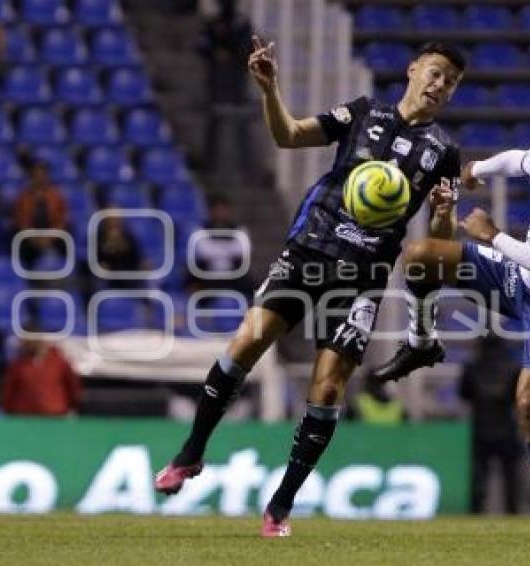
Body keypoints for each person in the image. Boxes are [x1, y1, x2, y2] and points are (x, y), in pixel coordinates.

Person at [154, 36, 466, 538]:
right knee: (246, 343)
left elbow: (438, 247)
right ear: (413, 70)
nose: (439, 85)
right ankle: (191, 453)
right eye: (434, 73)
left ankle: (281, 504)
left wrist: (446, 217)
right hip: (310, 250)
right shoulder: (363, 113)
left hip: (362, 275)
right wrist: (268, 88)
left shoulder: (443, 154)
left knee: (327, 388)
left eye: (450, 83)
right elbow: (290, 135)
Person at [372, 93, 530, 539]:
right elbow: (517, 159)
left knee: (529, 402)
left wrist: (492, 235)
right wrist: (474, 171)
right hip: (517, 278)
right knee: (422, 255)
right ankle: (422, 341)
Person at [458, 334, 523, 514]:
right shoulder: (513, 368)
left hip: (480, 430)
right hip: (507, 429)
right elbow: (519, 399)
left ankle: (476, 513)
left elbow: (464, 394)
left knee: (478, 478)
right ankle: (512, 512)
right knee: (511, 479)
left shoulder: (471, 368)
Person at [197, 0, 253, 177]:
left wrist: (231, 52)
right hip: (217, 85)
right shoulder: (213, 24)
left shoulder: (242, 24)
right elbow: (203, 46)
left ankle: (246, 169)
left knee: (241, 127)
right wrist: (216, 52)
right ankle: (210, 167)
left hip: (237, 85)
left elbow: (248, 49)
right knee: (215, 125)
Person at [186, 193, 253, 302]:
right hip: (207, 275)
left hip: (234, 275)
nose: (220, 213)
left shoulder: (239, 229)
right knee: (193, 285)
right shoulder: (199, 229)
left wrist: (215, 248)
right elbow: (204, 252)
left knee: (257, 290)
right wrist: (228, 249)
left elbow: (243, 250)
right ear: (210, 211)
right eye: (217, 210)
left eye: (223, 209)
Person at [1, 333, 81, 416]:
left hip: (54, 415)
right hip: (24, 416)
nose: (25, 344)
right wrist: (7, 410)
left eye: (28, 341)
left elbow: (73, 387)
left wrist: (72, 408)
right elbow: (8, 391)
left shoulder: (59, 362)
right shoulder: (17, 365)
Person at [13, 160, 68, 267]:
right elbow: (21, 221)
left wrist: (49, 238)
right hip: (31, 237)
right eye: (36, 174)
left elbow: (61, 220)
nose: (39, 177)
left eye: (42, 174)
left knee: (66, 242)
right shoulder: (23, 197)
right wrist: (34, 239)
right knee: (21, 244)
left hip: (52, 235)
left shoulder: (56, 196)